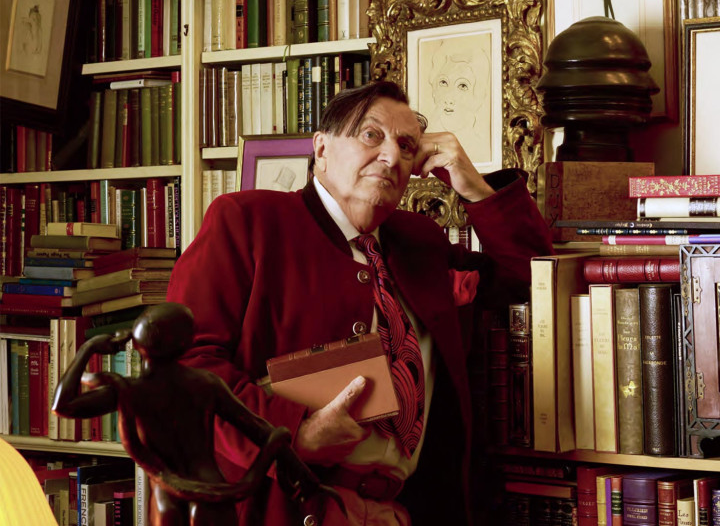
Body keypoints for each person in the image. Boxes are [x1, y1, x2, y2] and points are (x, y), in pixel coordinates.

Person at [166, 80, 553, 525]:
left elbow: (531, 278)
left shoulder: (421, 241)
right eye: (372, 135)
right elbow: (183, 371)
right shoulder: (247, 221)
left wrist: (474, 187)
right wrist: (294, 432)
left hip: (408, 509)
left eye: (406, 147)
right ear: (321, 148)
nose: (391, 157)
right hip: (284, 504)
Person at [51, 303, 339, 526]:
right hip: (214, 495)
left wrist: (88, 348)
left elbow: (63, 405)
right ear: (186, 341)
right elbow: (261, 430)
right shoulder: (205, 384)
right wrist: (305, 478)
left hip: (168, 499)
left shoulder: (130, 391)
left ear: (137, 343)